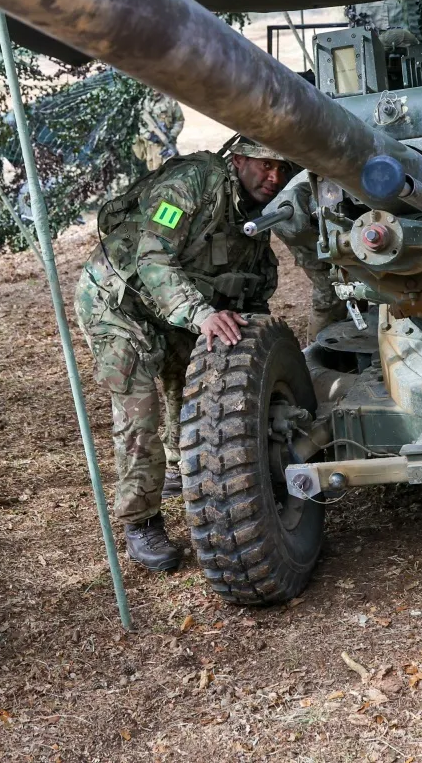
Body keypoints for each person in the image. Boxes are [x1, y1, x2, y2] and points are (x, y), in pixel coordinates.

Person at [73, 135, 288, 572]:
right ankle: (140, 522)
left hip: (176, 309)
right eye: (266, 165)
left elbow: (253, 290)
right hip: (118, 300)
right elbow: (153, 260)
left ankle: (175, 470)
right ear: (240, 158)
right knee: (139, 409)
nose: (274, 177)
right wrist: (201, 313)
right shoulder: (191, 184)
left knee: (188, 387)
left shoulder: (257, 214)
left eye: (283, 168)